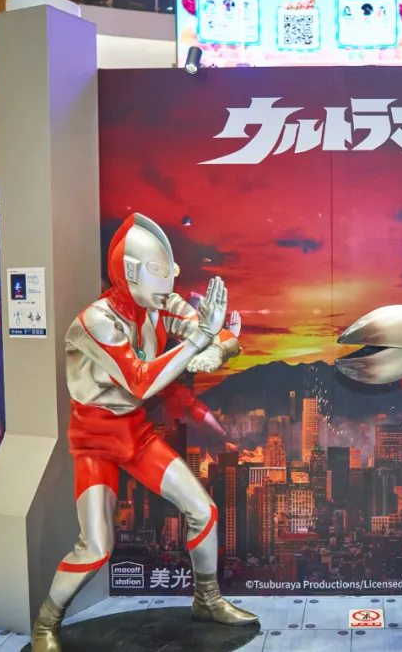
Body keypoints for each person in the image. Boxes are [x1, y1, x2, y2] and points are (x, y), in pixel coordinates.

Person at [30, 214, 257, 652]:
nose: (169, 281)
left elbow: (220, 333)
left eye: (169, 271)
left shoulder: (161, 303)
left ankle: (207, 600)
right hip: (94, 442)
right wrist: (200, 342)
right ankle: (45, 623)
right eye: (158, 271)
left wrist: (219, 349)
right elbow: (140, 382)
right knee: (95, 547)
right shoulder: (95, 320)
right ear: (130, 271)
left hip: (135, 433)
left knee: (203, 511)